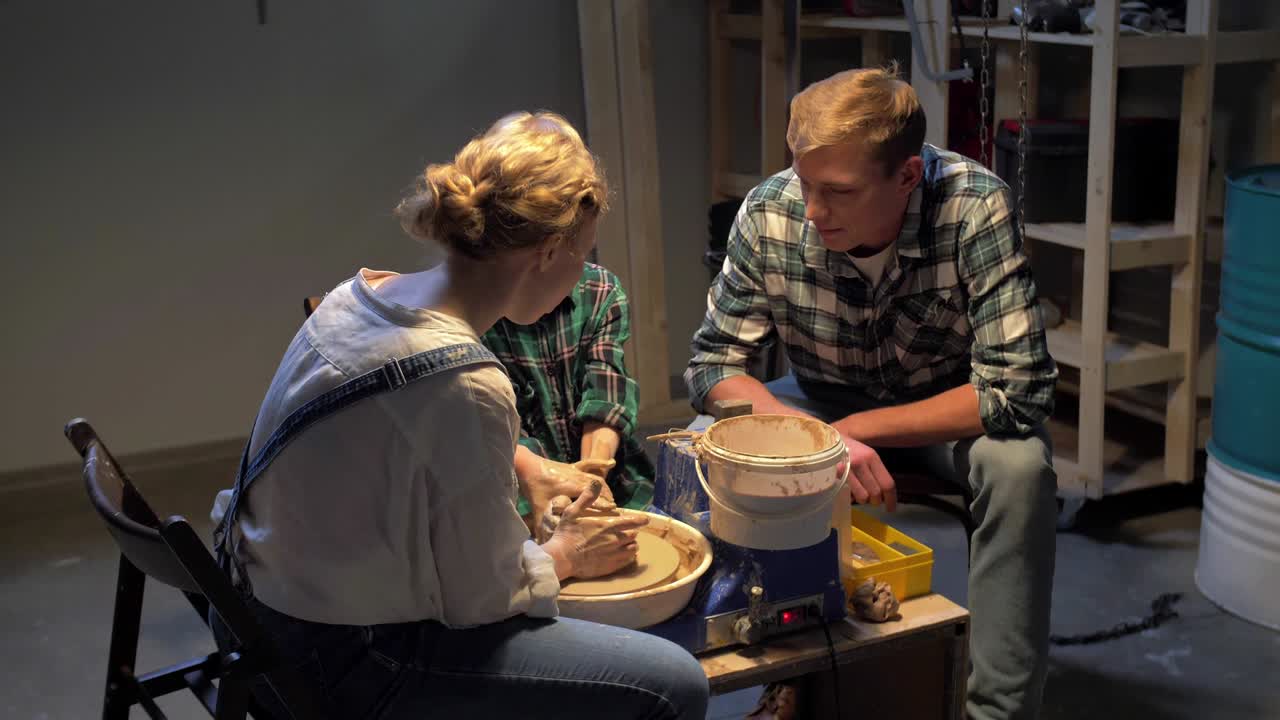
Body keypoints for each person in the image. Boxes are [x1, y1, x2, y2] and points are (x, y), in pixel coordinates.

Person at [210, 110, 709, 719]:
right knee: (675, 683)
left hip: (248, 611)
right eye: (585, 254)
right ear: (548, 253)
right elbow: (484, 599)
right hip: (336, 661)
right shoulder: (465, 380)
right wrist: (570, 552)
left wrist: (532, 475)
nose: (587, 272)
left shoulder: (356, 297)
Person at [685, 67, 1059, 720]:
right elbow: (713, 369)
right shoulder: (771, 211)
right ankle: (788, 670)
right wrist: (820, 440)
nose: (813, 210)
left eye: (839, 192)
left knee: (1019, 467)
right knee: (702, 446)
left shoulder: (974, 207)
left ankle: (996, 711)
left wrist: (862, 430)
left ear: (908, 176)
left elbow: (1016, 392)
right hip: (817, 402)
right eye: (805, 183)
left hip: (944, 412)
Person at [482, 261, 656, 525]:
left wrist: (593, 477)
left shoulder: (598, 289)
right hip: (517, 498)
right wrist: (555, 491)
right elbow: (492, 433)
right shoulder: (470, 315)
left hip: (618, 484)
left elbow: (606, 395)